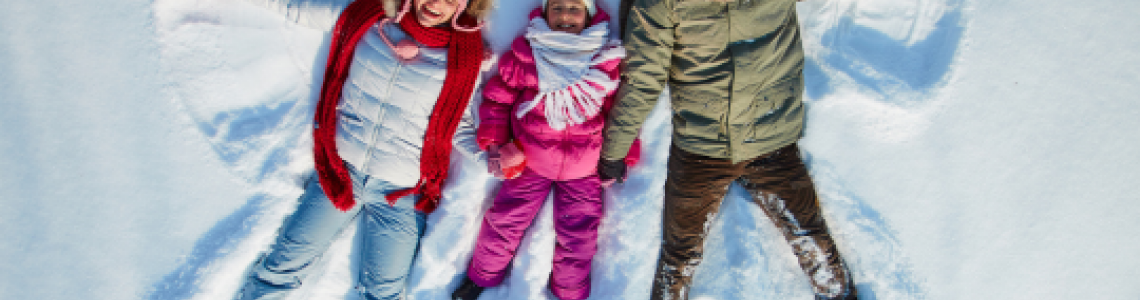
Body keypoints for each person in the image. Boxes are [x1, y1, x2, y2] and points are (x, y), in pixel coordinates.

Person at [597, 0, 859, 299]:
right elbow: (643, 80)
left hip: (770, 141)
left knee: (810, 236)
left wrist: (613, 154)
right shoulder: (661, 5)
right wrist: (615, 150)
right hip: (703, 148)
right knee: (679, 256)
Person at [231, 0, 492, 299]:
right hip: (340, 174)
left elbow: (458, 125)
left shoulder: (465, 58)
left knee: (383, 294)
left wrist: (491, 159)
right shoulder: (368, 17)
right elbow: (295, 8)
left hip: (400, 192)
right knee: (279, 270)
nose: (436, 3)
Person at [448, 0, 640, 299]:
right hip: (531, 161)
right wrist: (497, 141)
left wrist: (622, 155)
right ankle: (482, 276)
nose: (565, 15)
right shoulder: (527, 55)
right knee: (504, 220)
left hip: (584, 170)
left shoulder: (604, 61)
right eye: (557, 7)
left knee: (579, 236)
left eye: (574, 8)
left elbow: (620, 115)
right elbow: (498, 100)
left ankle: (569, 291)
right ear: (545, 13)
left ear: (588, 15)